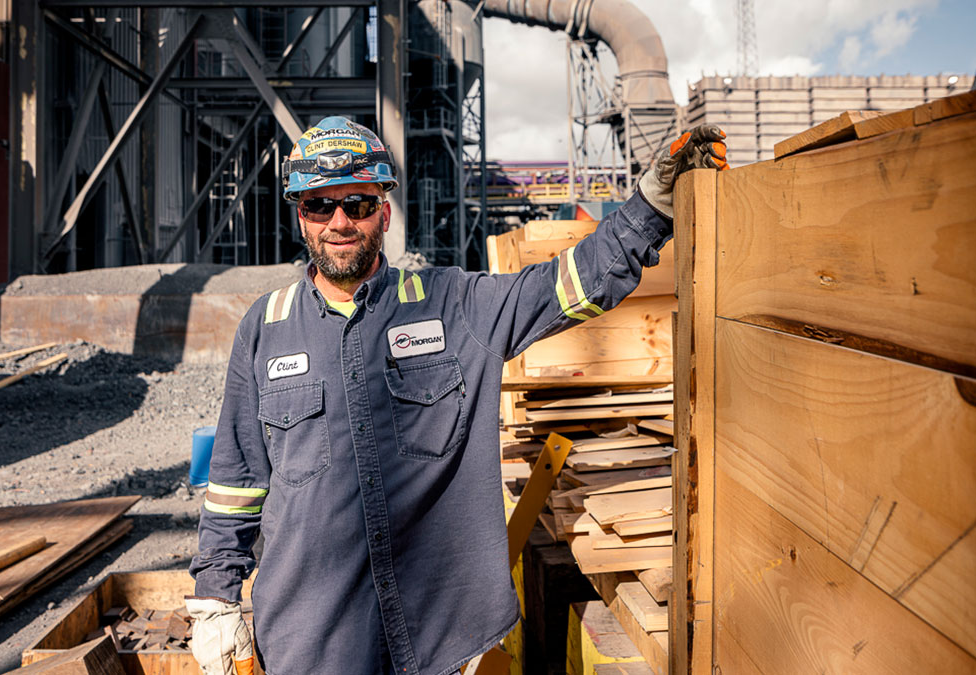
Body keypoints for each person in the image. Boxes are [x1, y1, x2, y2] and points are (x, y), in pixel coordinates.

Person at [186, 116, 728, 675]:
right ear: (301, 216)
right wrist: (216, 600)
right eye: (320, 206)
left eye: (358, 202)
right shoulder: (264, 329)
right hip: (312, 643)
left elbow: (571, 284)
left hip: (443, 641)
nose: (340, 222)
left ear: (385, 210)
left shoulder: (451, 306)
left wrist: (651, 208)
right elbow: (235, 483)